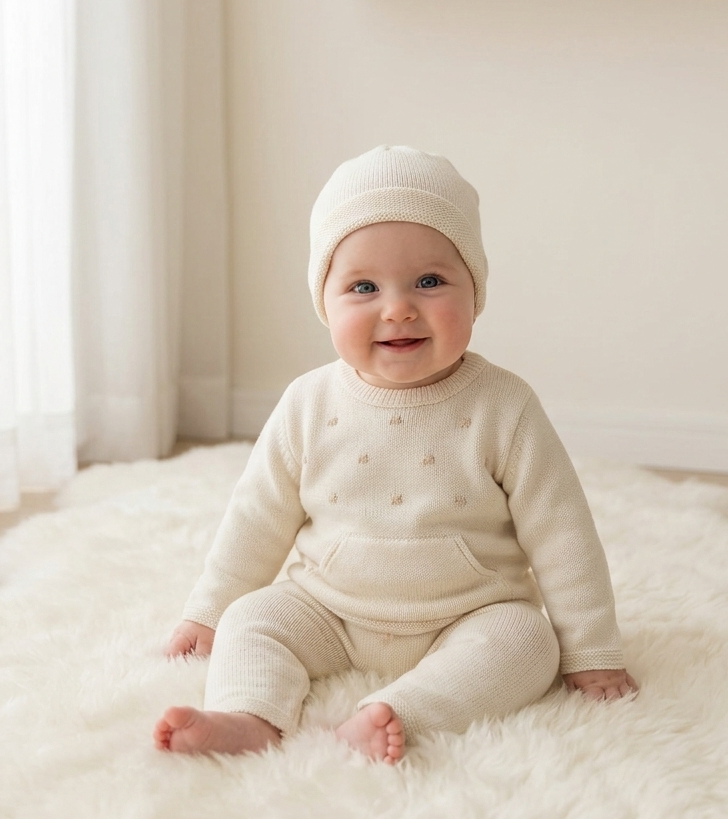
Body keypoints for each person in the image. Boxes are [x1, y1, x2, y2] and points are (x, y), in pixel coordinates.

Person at [153, 145, 637, 764]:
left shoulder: (505, 406)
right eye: (363, 286)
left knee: (527, 642)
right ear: (324, 300)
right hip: (329, 609)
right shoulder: (308, 402)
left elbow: (563, 534)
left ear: (475, 290)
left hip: (467, 613)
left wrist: (593, 653)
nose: (398, 307)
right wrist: (210, 612)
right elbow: (257, 515)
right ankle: (248, 716)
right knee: (253, 618)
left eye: (430, 282)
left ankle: (399, 711)